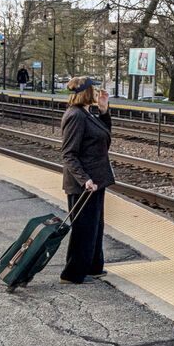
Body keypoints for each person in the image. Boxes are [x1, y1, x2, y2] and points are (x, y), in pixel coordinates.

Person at [58, 77, 114, 283]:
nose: (97, 91)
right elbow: (68, 154)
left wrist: (104, 110)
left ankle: (93, 267)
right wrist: (84, 180)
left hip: (95, 180)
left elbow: (105, 136)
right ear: (86, 92)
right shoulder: (75, 116)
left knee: (95, 226)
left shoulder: (85, 113)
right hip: (85, 183)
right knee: (84, 228)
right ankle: (72, 274)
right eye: (94, 89)